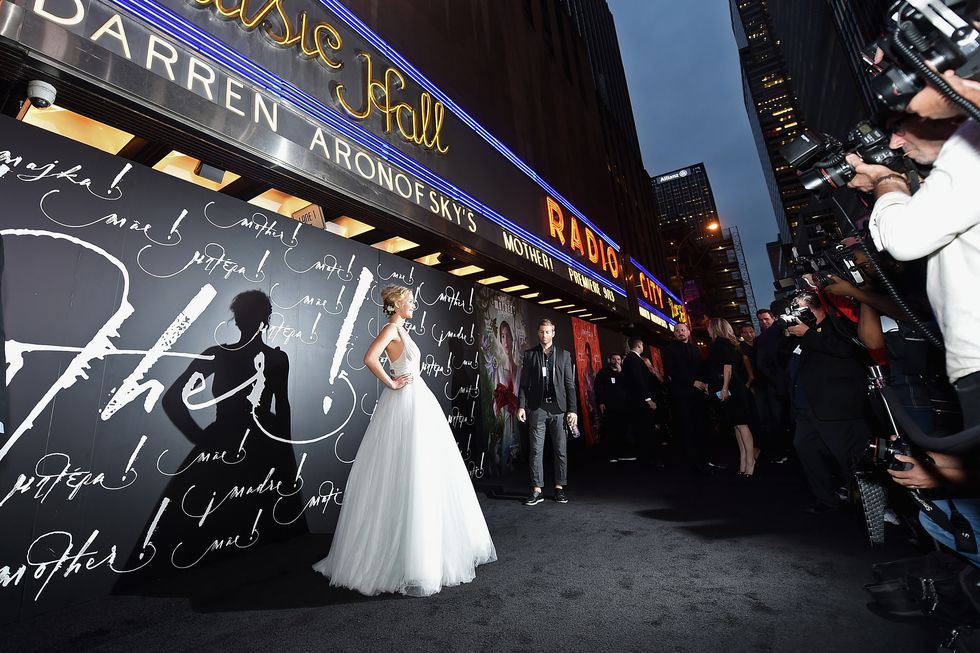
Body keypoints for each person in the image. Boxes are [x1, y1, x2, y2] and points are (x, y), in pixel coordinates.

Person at [313, 285, 496, 596]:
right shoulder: (391, 329)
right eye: (410, 301)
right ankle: (408, 558)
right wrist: (392, 382)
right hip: (405, 404)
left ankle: (425, 549)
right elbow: (370, 358)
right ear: (397, 304)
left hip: (418, 403)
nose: (414, 305)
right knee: (408, 471)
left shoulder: (401, 329)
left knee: (422, 473)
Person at [846, 114, 980, 428]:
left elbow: (904, 239)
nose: (895, 143)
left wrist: (887, 181)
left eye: (900, 127)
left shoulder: (969, 145)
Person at [784, 292, 870, 514]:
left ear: (816, 308)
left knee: (847, 458)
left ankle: (868, 506)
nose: (799, 316)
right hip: (806, 408)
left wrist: (808, 334)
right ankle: (826, 499)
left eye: (803, 311)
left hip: (835, 407)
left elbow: (848, 349)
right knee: (806, 450)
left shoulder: (838, 325)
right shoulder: (800, 337)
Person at [517, 319, 577, 505]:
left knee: (560, 450)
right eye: (541, 332)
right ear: (538, 333)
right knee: (536, 450)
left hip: (559, 409)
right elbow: (524, 384)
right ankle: (537, 490)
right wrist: (521, 406)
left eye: (548, 332)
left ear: (553, 333)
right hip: (538, 408)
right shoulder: (529, 355)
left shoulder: (564, 355)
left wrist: (572, 410)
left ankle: (559, 487)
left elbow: (569, 385)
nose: (544, 335)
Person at [701, 318, 757, 477]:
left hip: (732, 387)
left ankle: (750, 462)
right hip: (728, 388)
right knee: (736, 425)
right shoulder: (720, 343)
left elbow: (727, 367)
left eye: (709, 327)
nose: (707, 329)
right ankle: (744, 460)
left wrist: (725, 388)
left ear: (715, 327)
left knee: (742, 424)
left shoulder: (721, 343)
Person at [663, 322, 712, 474]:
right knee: (687, 429)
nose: (680, 332)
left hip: (699, 395)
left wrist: (705, 384)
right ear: (674, 334)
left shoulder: (696, 349)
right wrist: (692, 382)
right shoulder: (669, 350)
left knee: (701, 427)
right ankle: (694, 463)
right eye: (677, 331)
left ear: (688, 332)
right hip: (682, 395)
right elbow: (672, 372)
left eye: (683, 330)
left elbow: (702, 369)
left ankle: (704, 459)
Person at [621, 336, 659, 465]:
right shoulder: (633, 359)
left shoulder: (632, 359)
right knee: (645, 429)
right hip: (640, 402)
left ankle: (647, 457)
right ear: (640, 345)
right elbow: (639, 381)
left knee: (644, 429)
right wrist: (648, 399)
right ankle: (648, 458)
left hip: (638, 401)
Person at [493, 320, 520, 469]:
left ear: (512, 338)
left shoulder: (520, 370)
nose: (506, 341)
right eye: (502, 336)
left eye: (508, 335)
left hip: (520, 422)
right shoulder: (498, 370)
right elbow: (495, 403)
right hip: (506, 425)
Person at [595, 353, 629, 462]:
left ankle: (624, 454)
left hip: (623, 406)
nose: (616, 361)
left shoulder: (624, 372)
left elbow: (626, 385)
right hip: (609, 406)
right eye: (614, 359)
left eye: (618, 359)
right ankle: (612, 455)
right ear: (609, 360)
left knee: (623, 429)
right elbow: (598, 388)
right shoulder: (603, 372)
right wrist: (601, 402)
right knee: (611, 430)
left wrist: (620, 372)